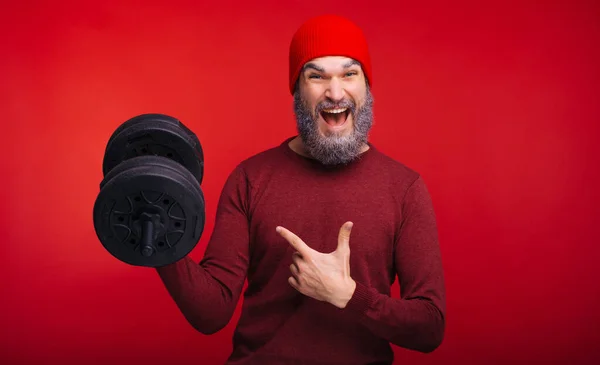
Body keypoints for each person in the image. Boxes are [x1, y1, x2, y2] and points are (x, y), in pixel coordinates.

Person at [156, 14, 446, 365]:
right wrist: (159, 238)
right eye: (317, 76)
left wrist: (348, 295)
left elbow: (429, 327)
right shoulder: (250, 179)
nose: (335, 92)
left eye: (349, 74)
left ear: (366, 87)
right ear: (297, 89)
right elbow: (211, 313)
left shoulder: (404, 188)